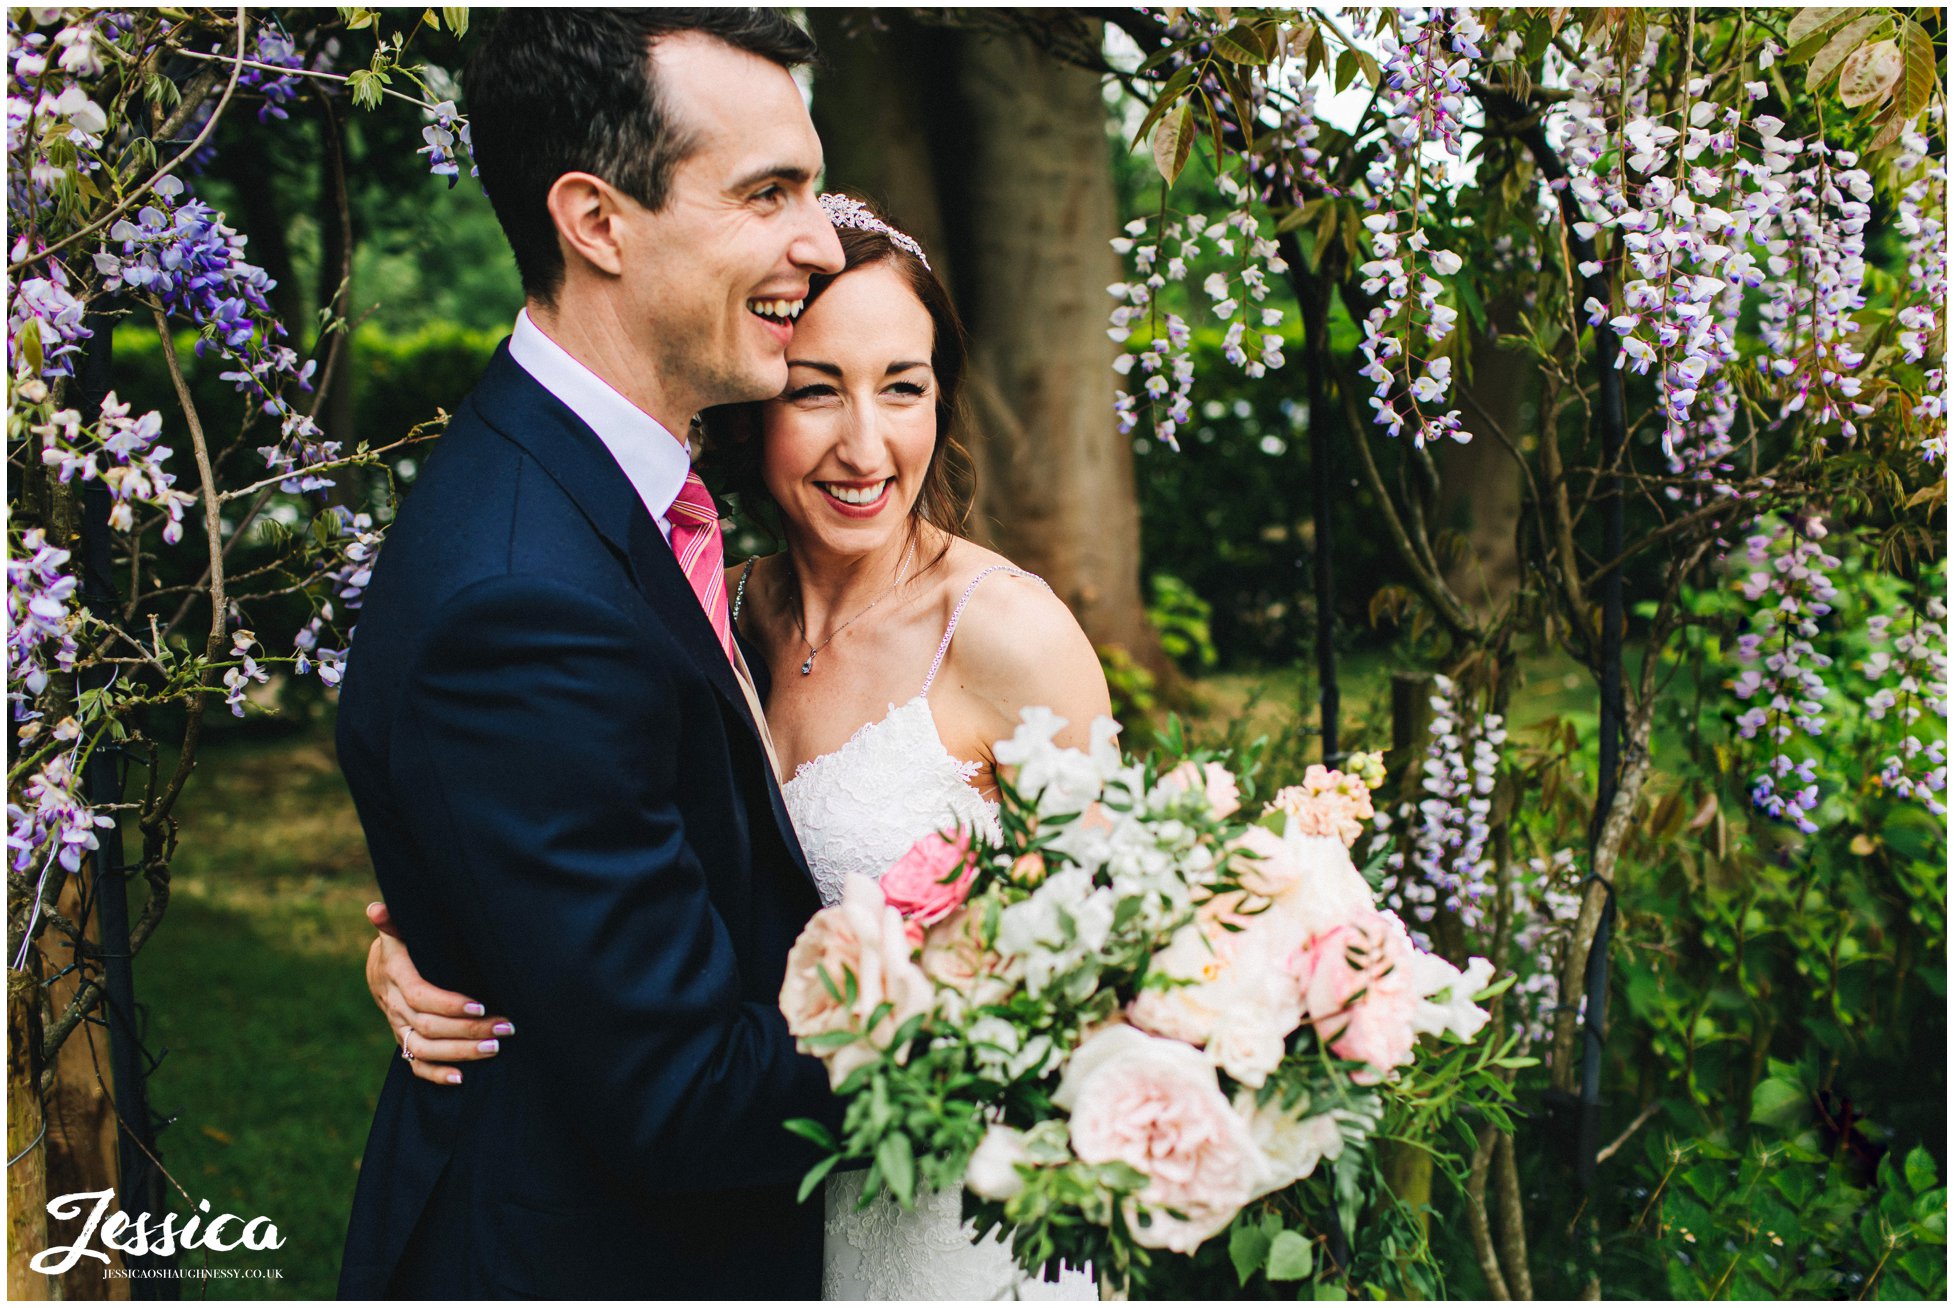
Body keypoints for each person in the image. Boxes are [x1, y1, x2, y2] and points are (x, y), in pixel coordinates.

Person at [364, 197, 1111, 1298]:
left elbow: (1127, 936)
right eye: (818, 390)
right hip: (771, 1198)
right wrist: (430, 944)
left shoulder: (1003, 632)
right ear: (755, 397)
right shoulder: (716, 611)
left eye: (902, 386)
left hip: (967, 1213)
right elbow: (594, 849)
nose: (866, 445)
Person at [333, 11, 853, 1298]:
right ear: (598, 221)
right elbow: (688, 1097)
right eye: (769, 193)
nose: (822, 241)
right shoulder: (523, 599)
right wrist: (1039, 1009)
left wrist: (457, 929)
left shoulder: (609, 487)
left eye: (815, 185)